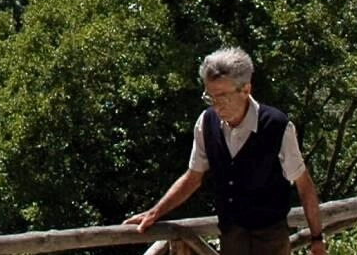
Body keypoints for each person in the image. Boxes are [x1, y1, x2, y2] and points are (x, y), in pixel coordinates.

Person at [123, 47, 327, 255]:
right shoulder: (206, 122)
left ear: (246, 90)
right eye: (210, 97)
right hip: (230, 238)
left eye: (222, 96)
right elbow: (192, 177)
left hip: (271, 241)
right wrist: (155, 212)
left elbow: (304, 186)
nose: (216, 105)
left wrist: (317, 238)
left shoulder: (277, 125)